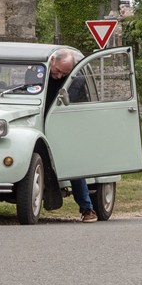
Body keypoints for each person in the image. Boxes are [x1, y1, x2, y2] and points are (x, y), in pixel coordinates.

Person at [47, 48, 97, 223]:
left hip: (66, 123)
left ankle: (87, 208)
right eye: (57, 71)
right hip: (41, 121)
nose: (59, 76)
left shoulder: (77, 80)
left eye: (64, 73)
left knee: (73, 163)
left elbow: (76, 104)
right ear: (52, 61)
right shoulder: (39, 73)